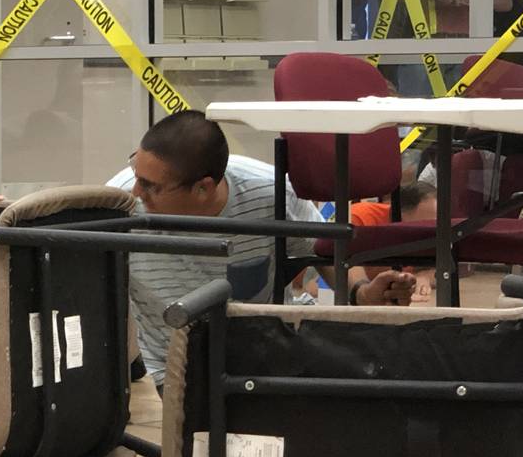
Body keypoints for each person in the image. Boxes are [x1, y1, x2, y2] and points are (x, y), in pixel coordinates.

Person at [109, 110, 417, 391]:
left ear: (203, 188)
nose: (137, 191)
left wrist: (362, 294)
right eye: (136, 171)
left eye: (151, 186)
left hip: (257, 353)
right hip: (174, 366)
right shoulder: (117, 205)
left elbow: (324, 252)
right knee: (197, 444)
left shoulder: (272, 195)